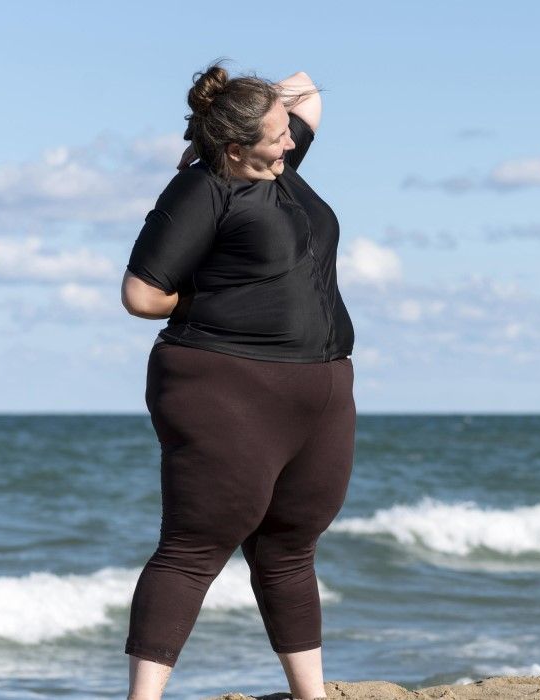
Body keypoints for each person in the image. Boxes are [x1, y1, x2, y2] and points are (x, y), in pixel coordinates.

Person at [120, 63, 356, 700]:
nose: (290, 141)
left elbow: (306, 88)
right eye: (275, 135)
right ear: (233, 148)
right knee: (194, 545)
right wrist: (220, 300)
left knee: (290, 544)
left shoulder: (278, 162)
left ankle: (312, 695)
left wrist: (252, 103)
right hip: (225, 385)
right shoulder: (201, 190)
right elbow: (142, 294)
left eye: (286, 133)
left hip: (320, 387)